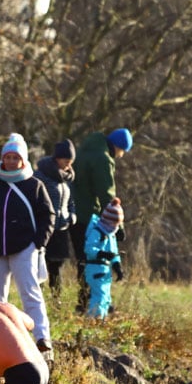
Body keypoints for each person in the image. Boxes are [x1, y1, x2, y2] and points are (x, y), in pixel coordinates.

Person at [0, 134, 55, 357]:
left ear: (23, 160)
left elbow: (48, 215)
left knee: (30, 293)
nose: (12, 161)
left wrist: (38, 243)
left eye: (16, 157)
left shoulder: (34, 185)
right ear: (2, 158)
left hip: (24, 247)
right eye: (8, 157)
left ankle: (43, 339)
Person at [72, 128, 130, 313]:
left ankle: (85, 299)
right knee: (93, 260)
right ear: (118, 147)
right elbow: (107, 194)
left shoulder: (84, 150)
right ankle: (91, 302)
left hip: (73, 212)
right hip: (90, 216)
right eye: (122, 152)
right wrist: (118, 225)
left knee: (82, 259)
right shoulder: (103, 159)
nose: (120, 156)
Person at [36, 140, 76, 297]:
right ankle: (38, 299)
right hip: (45, 228)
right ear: (57, 158)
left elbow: (71, 200)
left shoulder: (68, 178)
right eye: (66, 161)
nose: (68, 165)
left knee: (56, 267)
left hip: (61, 229)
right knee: (40, 266)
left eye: (71, 162)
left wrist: (72, 215)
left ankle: (56, 299)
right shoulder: (41, 175)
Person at [82, 198, 124, 319]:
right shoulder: (97, 232)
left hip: (106, 270)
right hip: (95, 268)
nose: (116, 227)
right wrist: (102, 254)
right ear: (108, 221)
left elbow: (114, 252)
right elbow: (88, 248)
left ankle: (102, 319)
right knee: (99, 296)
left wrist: (117, 266)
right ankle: (94, 320)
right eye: (115, 223)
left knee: (106, 297)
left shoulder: (111, 234)